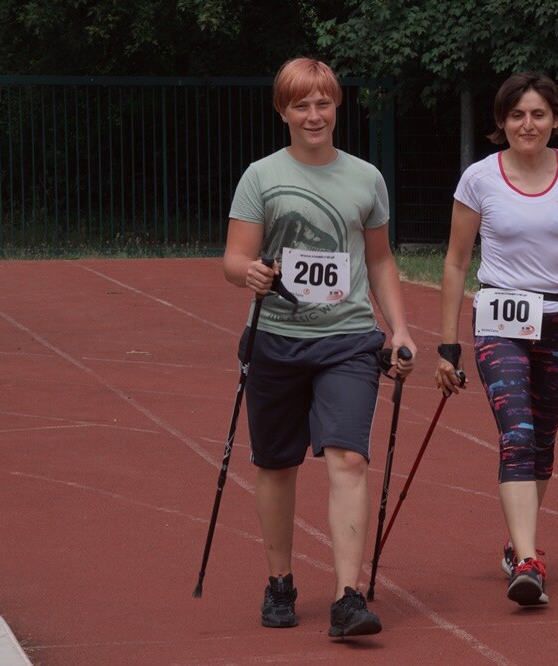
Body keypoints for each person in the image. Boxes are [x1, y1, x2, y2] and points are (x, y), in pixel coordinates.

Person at [223, 57, 415, 637]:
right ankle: (280, 582)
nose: (314, 114)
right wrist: (248, 274)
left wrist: (400, 328)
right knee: (277, 465)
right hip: (276, 339)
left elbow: (379, 259)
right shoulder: (260, 176)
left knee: (349, 458)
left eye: (323, 103)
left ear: (337, 107)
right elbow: (234, 258)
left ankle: (348, 598)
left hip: (348, 340)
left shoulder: (366, 178)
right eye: (301, 104)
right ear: (282, 111)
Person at [435, 72, 558, 607]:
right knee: (518, 432)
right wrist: (448, 343)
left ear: (554, 120)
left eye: (539, 114)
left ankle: (515, 543)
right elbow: (456, 262)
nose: (529, 124)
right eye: (518, 115)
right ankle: (528, 561)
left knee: (542, 439)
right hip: (499, 320)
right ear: (501, 123)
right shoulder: (479, 178)